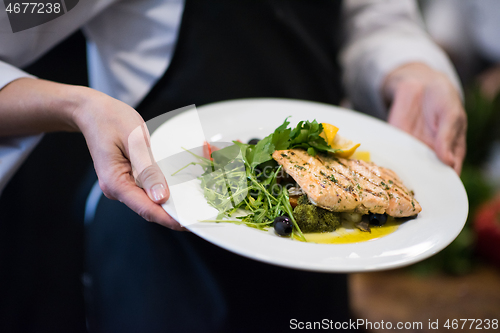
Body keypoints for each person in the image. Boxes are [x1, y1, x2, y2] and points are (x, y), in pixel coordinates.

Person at [0, 0, 466, 331]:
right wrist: (76, 106)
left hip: (319, 246)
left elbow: (373, 17)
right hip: (162, 239)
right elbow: (14, 20)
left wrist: (410, 68)